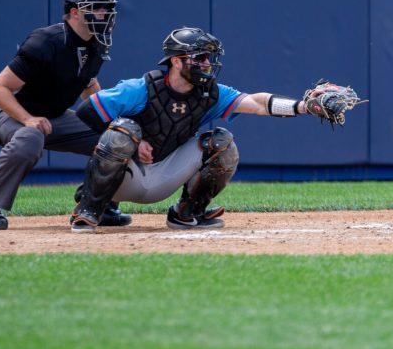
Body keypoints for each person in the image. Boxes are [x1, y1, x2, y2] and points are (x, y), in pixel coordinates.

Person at [68, 27, 358, 231]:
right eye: (199, 57)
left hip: (164, 172)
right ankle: (91, 208)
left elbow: (256, 103)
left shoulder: (211, 93)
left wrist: (302, 106)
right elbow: (87, 111)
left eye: (208, 57)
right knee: (124, 129)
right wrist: (133, 138)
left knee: (222, 142)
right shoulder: (142, 88)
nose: (207, 64)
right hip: (127, 174)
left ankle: (186, 214)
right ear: (176, 60)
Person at [0, 0, 124, 230]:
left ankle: (95, 203)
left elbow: (88, 84)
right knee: (30, 137)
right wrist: (28, 119)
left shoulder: (96, 42)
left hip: (56, 116)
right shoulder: (46, 41)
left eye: (107, 9)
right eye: (97, 8)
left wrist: (112, 119)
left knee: (119, 137)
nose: (104, 14)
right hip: (13, 112)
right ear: (75, 12)